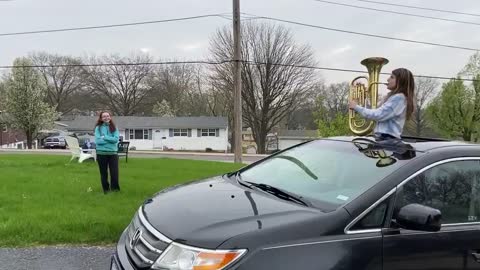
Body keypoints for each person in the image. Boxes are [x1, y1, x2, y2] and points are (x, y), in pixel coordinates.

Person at [349, 68, 415, 141]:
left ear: (401, 81)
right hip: (385, 138)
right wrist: (364, 99)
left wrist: (356, 107)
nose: (388, 79)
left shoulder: (399, 98)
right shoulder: (394, 97)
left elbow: (378, 114)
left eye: (392, 77)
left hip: (388, 139)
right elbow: (376, 111)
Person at [94, 111, 120, 194]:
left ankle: (115, 190)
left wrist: (104, 137)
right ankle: (106, 190)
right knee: (103, 174)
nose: (106, 118)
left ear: (110, 117)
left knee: (114, 173)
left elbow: (116, 140)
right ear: (101, 118)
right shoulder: (98, 128)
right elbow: (98, 141)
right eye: (104, 116)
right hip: (101, 154)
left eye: (107, 116)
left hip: (113, 154)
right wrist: (110, 140)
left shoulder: (114, 127)